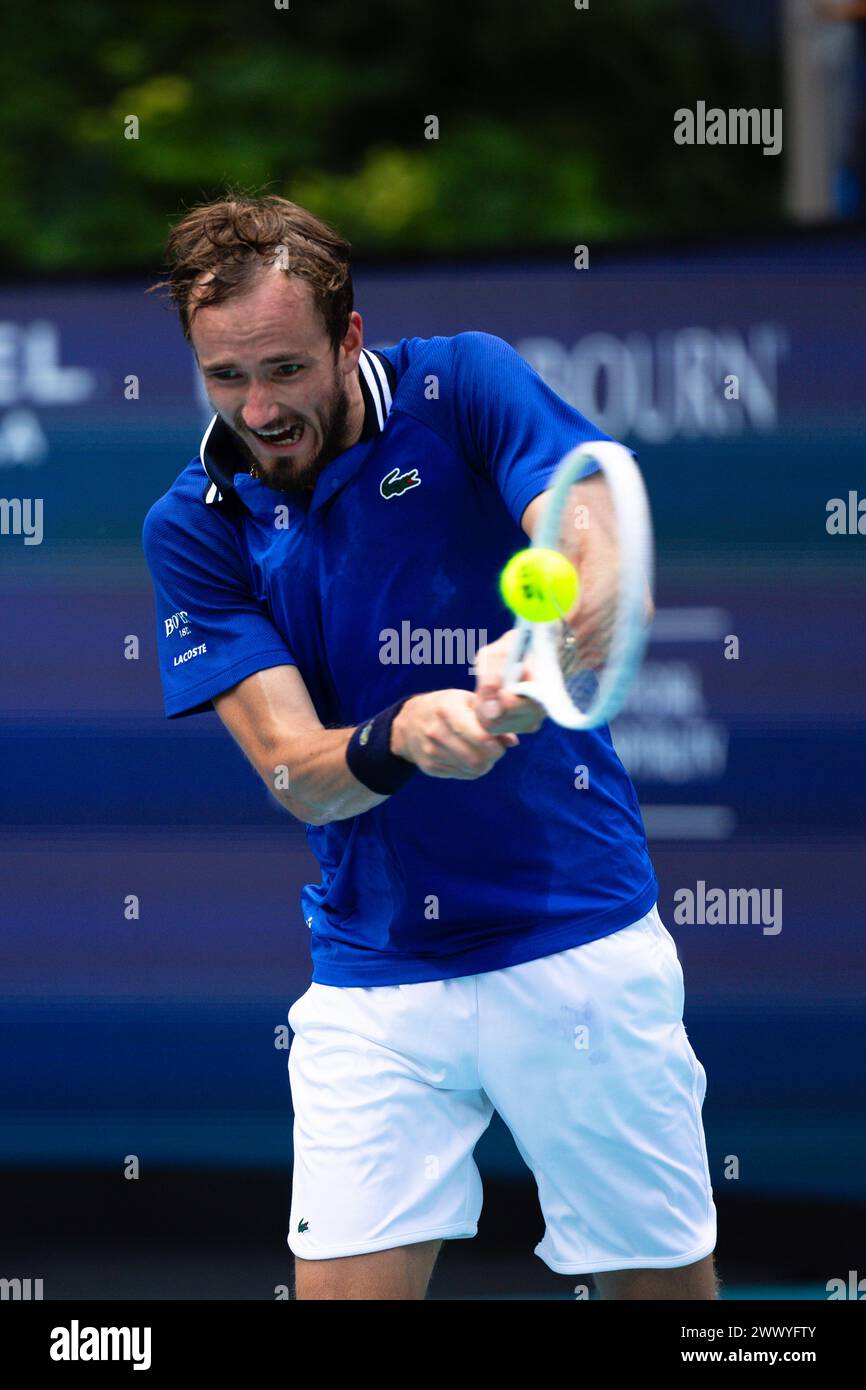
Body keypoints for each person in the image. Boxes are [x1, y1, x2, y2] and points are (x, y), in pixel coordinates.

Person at [142, 194, 718, 1300]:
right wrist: (395, 737)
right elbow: (294, 772)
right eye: (224, 376)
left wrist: (548, 635)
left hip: (574, 944)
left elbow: (591, 535)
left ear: (348, 338)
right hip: (375, 976)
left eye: (283, 369)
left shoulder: (463, 385)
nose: (257, 407)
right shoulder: (193, 526)